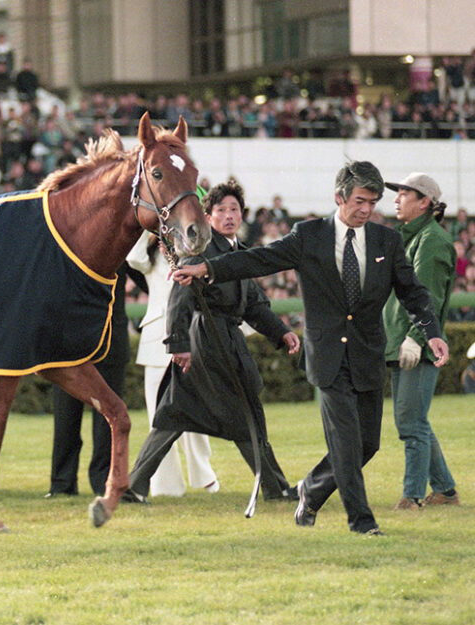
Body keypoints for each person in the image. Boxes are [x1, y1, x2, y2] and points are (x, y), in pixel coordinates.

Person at [172, 161, 450, 536]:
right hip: (327, 357)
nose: (367, 209)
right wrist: (206, 268)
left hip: (367, 355)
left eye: (373, 202)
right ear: (339, 197)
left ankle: (310, 492)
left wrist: (431, 332)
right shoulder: (309, 236)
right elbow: (259, 259)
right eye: (359, 201)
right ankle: (361, 522)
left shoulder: (388, 241)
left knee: (367, 445)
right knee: (346, 443)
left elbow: (413, 292)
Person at [124, 179, 300, 504]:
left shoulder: (239, 255)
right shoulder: (200, 252)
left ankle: (133, 487)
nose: (229, 215)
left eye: (234, 209)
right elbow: (180, 297)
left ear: (243, 214)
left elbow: (255, 306)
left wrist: (281, 331)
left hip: (221, 340)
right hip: (206, 342)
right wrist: (178, 343)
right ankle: (276, 488)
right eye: (221, 210)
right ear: (208, 215)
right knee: (243, 414)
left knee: (176, 414)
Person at [382, 173, 459, 509]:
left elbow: (428, 296)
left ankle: (412, 497)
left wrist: (416, 338)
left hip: (417, 345)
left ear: (424, 201)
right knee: (415, 421)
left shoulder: (432, 241)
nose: (396, 199)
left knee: (411, 423)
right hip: (404, 342)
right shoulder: (414, 238)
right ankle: (445, 491)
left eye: (403, 193)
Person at [126, 229, 218, 498]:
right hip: (157, 334)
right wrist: (150, 228)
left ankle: (203, 474)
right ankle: (165, 485)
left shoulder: (197, 252)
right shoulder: (150, 252)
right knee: (158, 413)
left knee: (196, 405)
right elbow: (133, 258)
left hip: (191, 334)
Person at [47, 266, 129, 498]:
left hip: (111, 341)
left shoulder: (123, 242)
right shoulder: (67, 244)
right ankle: (62, 482)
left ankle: (104, 481)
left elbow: (143, 273)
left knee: (109, 420)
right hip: (69, 345)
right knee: (65, 418)